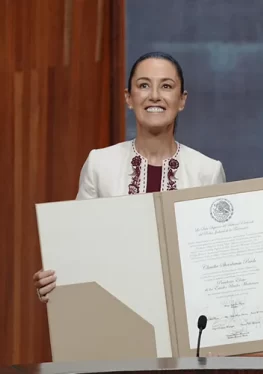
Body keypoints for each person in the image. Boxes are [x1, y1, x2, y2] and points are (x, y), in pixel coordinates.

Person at [33, 51, 226, 302]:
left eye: (166, 86)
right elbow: (78, 248)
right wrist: (53, 282)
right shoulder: (99, 164)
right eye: (144, 85)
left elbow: (218, 262)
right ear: (129, 97)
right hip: (114, 313)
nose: (154, 95)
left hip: (187, 314)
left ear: (182, 100)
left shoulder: (208, 171)